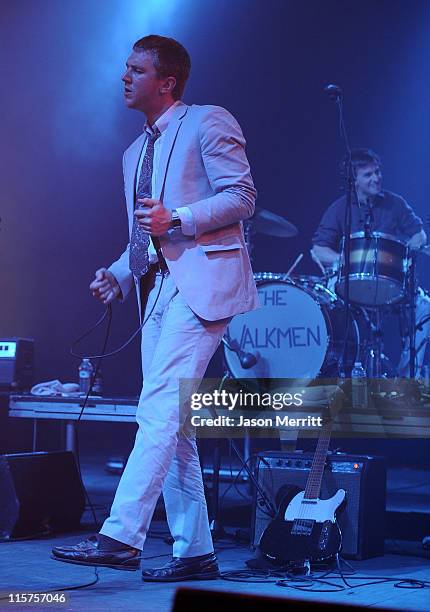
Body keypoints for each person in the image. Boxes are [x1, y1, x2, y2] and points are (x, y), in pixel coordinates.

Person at [52, 35, 259, 581]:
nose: (125, 77)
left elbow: (242, 197)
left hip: (205, 285)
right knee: (177, 425)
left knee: (159, 409)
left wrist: (180, 218)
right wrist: (119, 274)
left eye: (136, 69)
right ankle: (196, 551)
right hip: (157, 291)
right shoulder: (133, 153)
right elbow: (146, 235)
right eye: (125, 68)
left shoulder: (207, 120)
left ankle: (121, 538)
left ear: (165, 81)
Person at [311, 148, 429, 376]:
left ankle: (406, 379)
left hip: (391, 282)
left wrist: (407, 250)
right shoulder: (340, 209)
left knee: (425, 310)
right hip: (352, 285)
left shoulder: (395, 203)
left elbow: (419, 236)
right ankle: (341, 371)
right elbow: (319, 248)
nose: (377, 178)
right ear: (354, 180)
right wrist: (344, 262)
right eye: (368, 175)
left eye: (377, 172)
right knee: (327, 300)